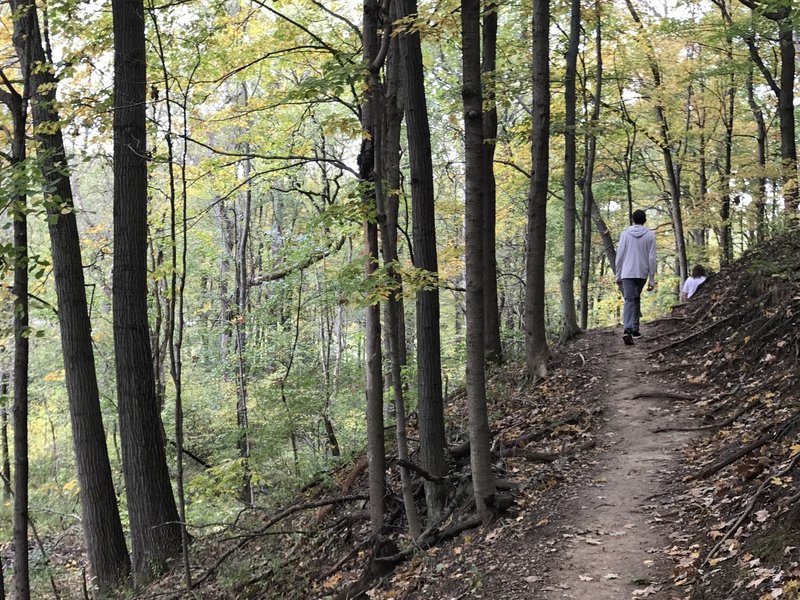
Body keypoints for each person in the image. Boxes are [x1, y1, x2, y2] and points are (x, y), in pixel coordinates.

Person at [615, 209, 657, 345]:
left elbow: (620, 255)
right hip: (642, 272)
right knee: (636, 298)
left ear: (633, 219)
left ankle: (628, 329)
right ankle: (635, 329)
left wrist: (618, 273)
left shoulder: (625, 234)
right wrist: (651, 278)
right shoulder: (650, 235)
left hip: (627, 272)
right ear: (644, 220)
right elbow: (652, 258)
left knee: (629, 299)